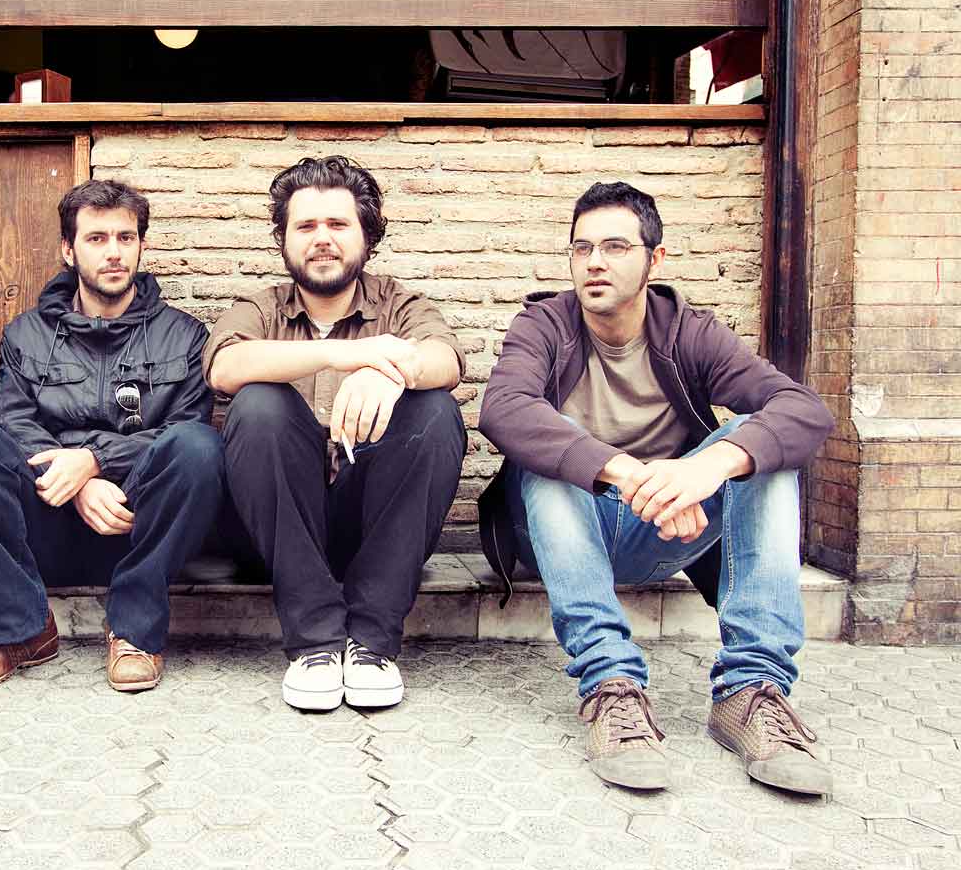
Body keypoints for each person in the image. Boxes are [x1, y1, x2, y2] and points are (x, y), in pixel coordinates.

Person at [478, 181, 836, 794]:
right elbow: (504, 408)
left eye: (616, 247)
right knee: (550, 444)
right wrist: (630, 473)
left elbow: (803, 409)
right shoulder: (545, 324)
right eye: (582, 248)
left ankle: (751, 691)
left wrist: (707, 468)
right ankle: (611, 686)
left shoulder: (689, 332)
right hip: (564, 532)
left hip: (667, 532)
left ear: (655, 258)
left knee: (760, 444)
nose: (595, 262)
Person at [0, 180, 223, 694]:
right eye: (96, 238)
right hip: (47, 520)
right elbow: (14, 425)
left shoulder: (184, 336)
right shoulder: (27, 334)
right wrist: (79, 480)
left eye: (125, 238)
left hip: (138, 525)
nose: (114, 252)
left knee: (201, 447)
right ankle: (18, 632)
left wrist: (95, 459)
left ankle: (135, 632)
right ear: (68, 250)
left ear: (142, 246)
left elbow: (185, 427)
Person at [205, 156, 466, 712]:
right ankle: (315, 645)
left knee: (435, 410)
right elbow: (225, 367)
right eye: (305, 226)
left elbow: (446, 359)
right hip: (275, 535)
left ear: (366, 236)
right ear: (283, 240)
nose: (321, 238)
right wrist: (345, 354)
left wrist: (392, 373)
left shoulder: (398, 303)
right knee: (257, 403)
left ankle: (371, 643)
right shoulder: (261, 307)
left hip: (370, 531)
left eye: (338, 224)